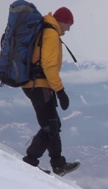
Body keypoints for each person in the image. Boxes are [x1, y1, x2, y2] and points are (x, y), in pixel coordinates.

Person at [21, 6, 79, 175]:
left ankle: (58, 164)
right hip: (39, 85)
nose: (68, 29)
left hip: (36, 84)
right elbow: (49, 65)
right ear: (62, 21)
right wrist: (60, 91)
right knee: (49, 127)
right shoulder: (51, 34)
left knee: (53, 125)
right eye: (69, 25)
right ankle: (30, 162)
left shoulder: (46, 30)